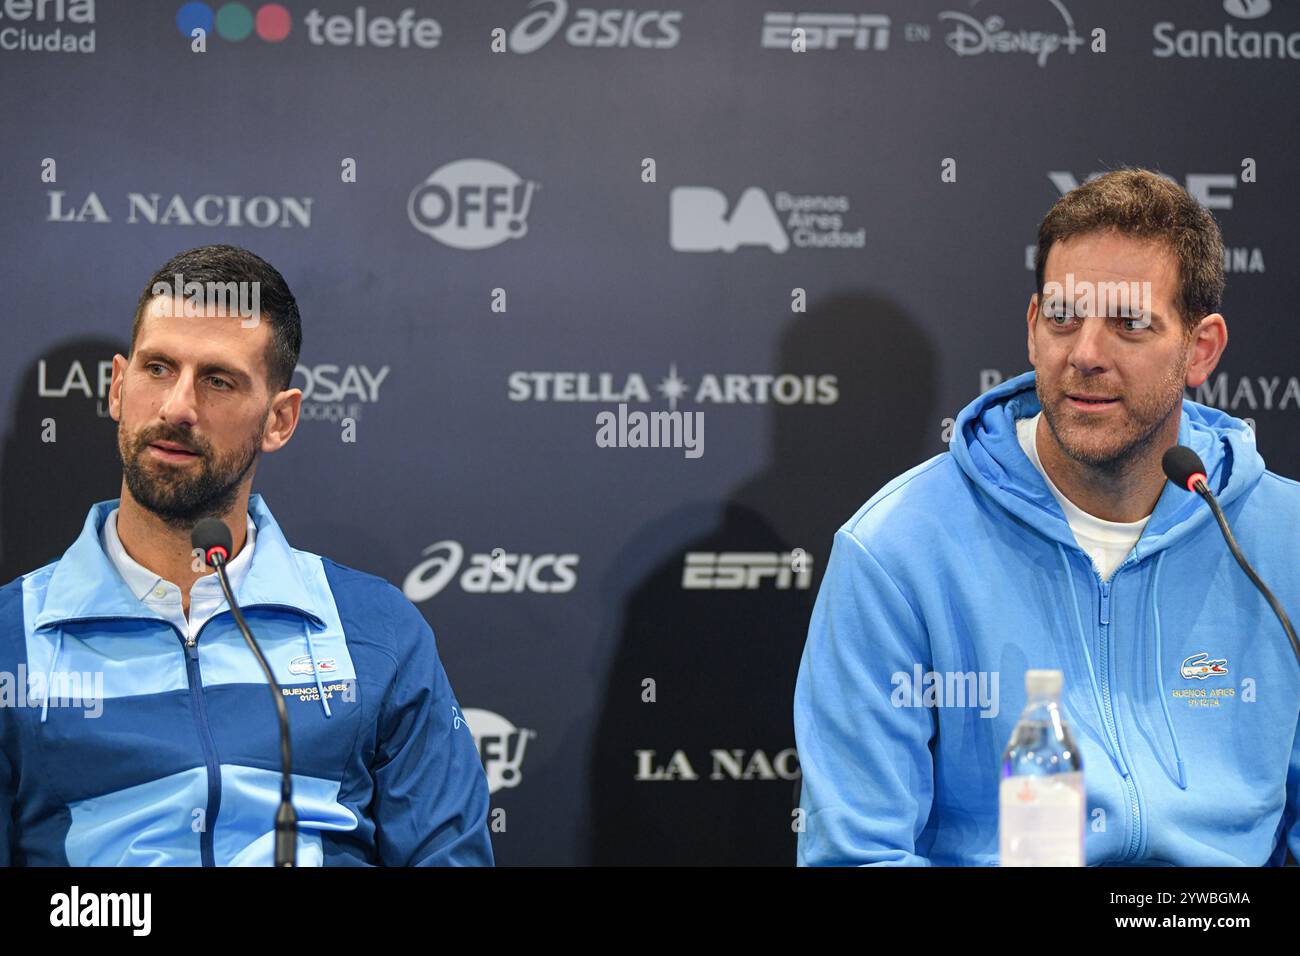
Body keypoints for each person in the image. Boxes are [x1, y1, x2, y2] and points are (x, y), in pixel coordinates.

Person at [794, 168, 1300, 866]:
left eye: (1128, 323)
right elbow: (857, 855)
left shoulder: (1284, 541)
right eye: (1064, 317)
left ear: (1200, 348)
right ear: (1034, 330)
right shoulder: (896, 551)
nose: (1086, 354)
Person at [0, 244, 493, 866]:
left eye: (218, 380)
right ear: (119, 387)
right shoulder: (10, 638)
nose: (178, 407)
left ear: (279, 419)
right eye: (158, 369)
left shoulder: (376, 631)